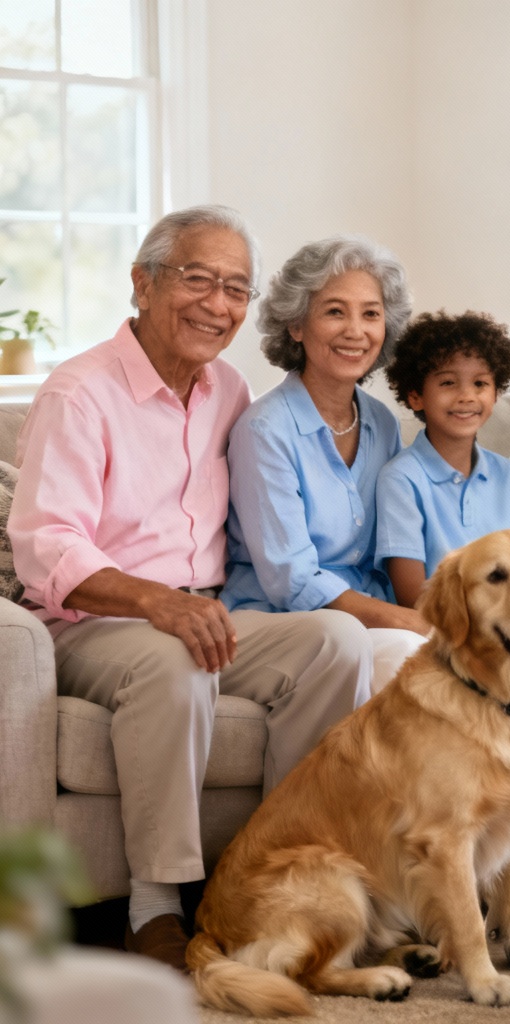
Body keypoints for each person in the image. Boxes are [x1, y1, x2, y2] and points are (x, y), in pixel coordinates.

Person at [7, 206, 374, 971]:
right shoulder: (79, 393)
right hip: (94, 622)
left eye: (236, 288)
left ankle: (279, 877)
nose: (217, 303)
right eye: (197, 279)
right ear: (143, 284)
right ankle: (155, 904)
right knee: (173, 659)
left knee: (336, 642)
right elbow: (48, 546)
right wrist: (154, 602)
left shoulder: (228, 390)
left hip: (207, 610)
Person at [375, 309, 510, 934]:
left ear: (497, 392)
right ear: (415, 395)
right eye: (447, 383)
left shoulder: (508, 475)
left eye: (480, 383)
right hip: (452, 635)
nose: (466, 397)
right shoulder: (402, 478)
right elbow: (414, 590)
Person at [221, 236, 427, 693]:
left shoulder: (382, 422)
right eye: (335, 311)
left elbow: (397, 543)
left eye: (371, 314)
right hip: (284, 622)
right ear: (296, 325)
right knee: (416, 659)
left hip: (368, 615)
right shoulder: (264, 429)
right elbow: (291, 580)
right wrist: (406, 621)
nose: (356, 331)